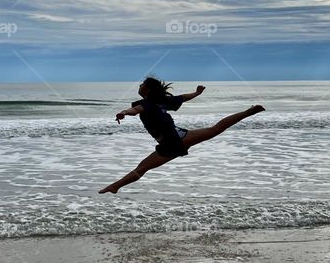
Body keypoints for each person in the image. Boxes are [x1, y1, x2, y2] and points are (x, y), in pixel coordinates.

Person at [98, 77, 264, 194]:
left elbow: (136, 110)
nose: (139, 86)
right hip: (179, 135)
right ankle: (248, 112)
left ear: (147, 89)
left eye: (142, 84)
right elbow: (183, 98)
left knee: (142, 169)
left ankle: (115, 186)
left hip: (171, 143)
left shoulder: (146, 104)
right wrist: (197, 93)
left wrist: (124, 112)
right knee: (215, 130)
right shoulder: (161, 101)